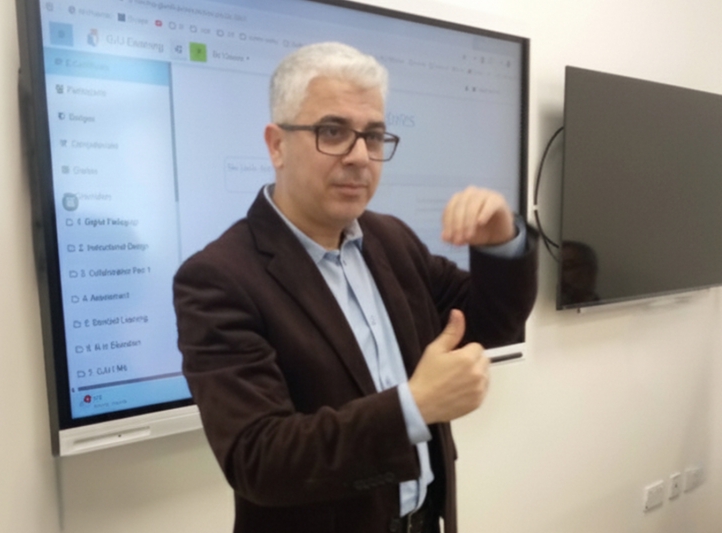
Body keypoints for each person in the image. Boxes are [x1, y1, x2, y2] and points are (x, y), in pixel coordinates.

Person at [173, 42, 538, 533]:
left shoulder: (391, 238)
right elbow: (258, 458)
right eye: (333, 131)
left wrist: (502, 241)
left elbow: (491, 325)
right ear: (277, 145)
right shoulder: (218, 278)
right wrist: (413, 407)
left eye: (374, 136)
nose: (361, 157)